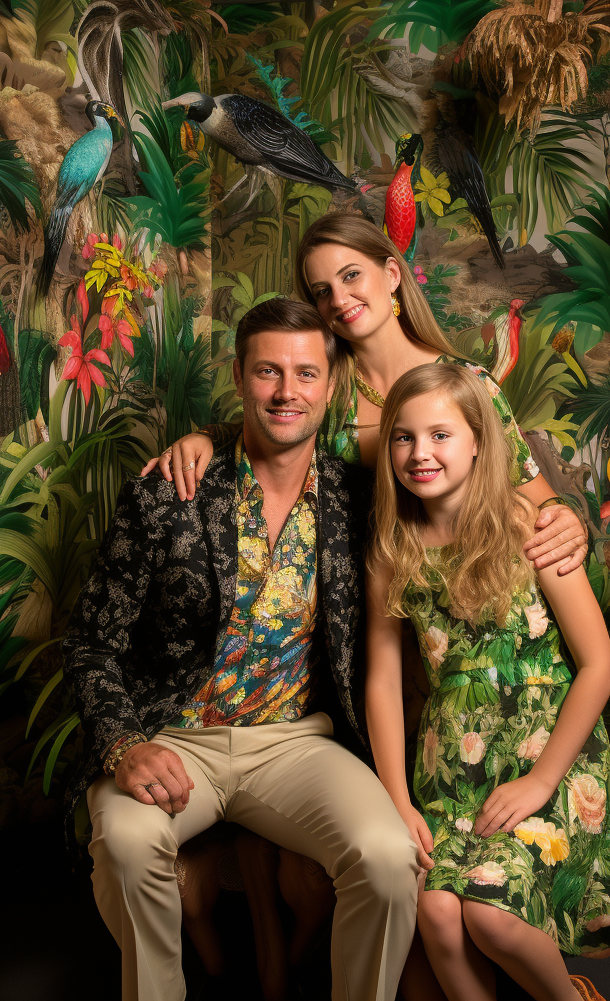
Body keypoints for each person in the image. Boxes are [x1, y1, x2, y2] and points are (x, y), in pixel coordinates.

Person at [62, 298, 418, 1001]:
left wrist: (561, 518)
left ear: (330, 383)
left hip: (295, 743)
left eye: (305, 374)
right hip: (173, 735)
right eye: (268, 371)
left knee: (388, 858)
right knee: (130, 846)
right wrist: (124, 744)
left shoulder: (359, 499)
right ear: (239, 376)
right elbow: (91, 641)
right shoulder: (171, 490)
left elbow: (471, 494)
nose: (287, 391)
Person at [365, 363, 610, 1001]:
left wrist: (541, 781)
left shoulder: (528, 526)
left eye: (440, 435)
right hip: (451, 771)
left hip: (548, 758)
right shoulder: (393, 548)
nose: (420, 453)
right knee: (435, 914)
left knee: (489, 915)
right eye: (402, 438)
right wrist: (398, 801)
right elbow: (382, 682)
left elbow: (601, 664)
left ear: (480, 439)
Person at [142, 213, 588, 574]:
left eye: (351, 275)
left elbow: (536, 497)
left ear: (391, 273)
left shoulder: (469, 386)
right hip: (354, 601)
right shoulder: (326, 390)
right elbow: (270, 431)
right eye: (322, 291)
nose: (339, 299)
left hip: (453, 593)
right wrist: (206, 437)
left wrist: (563, 519)